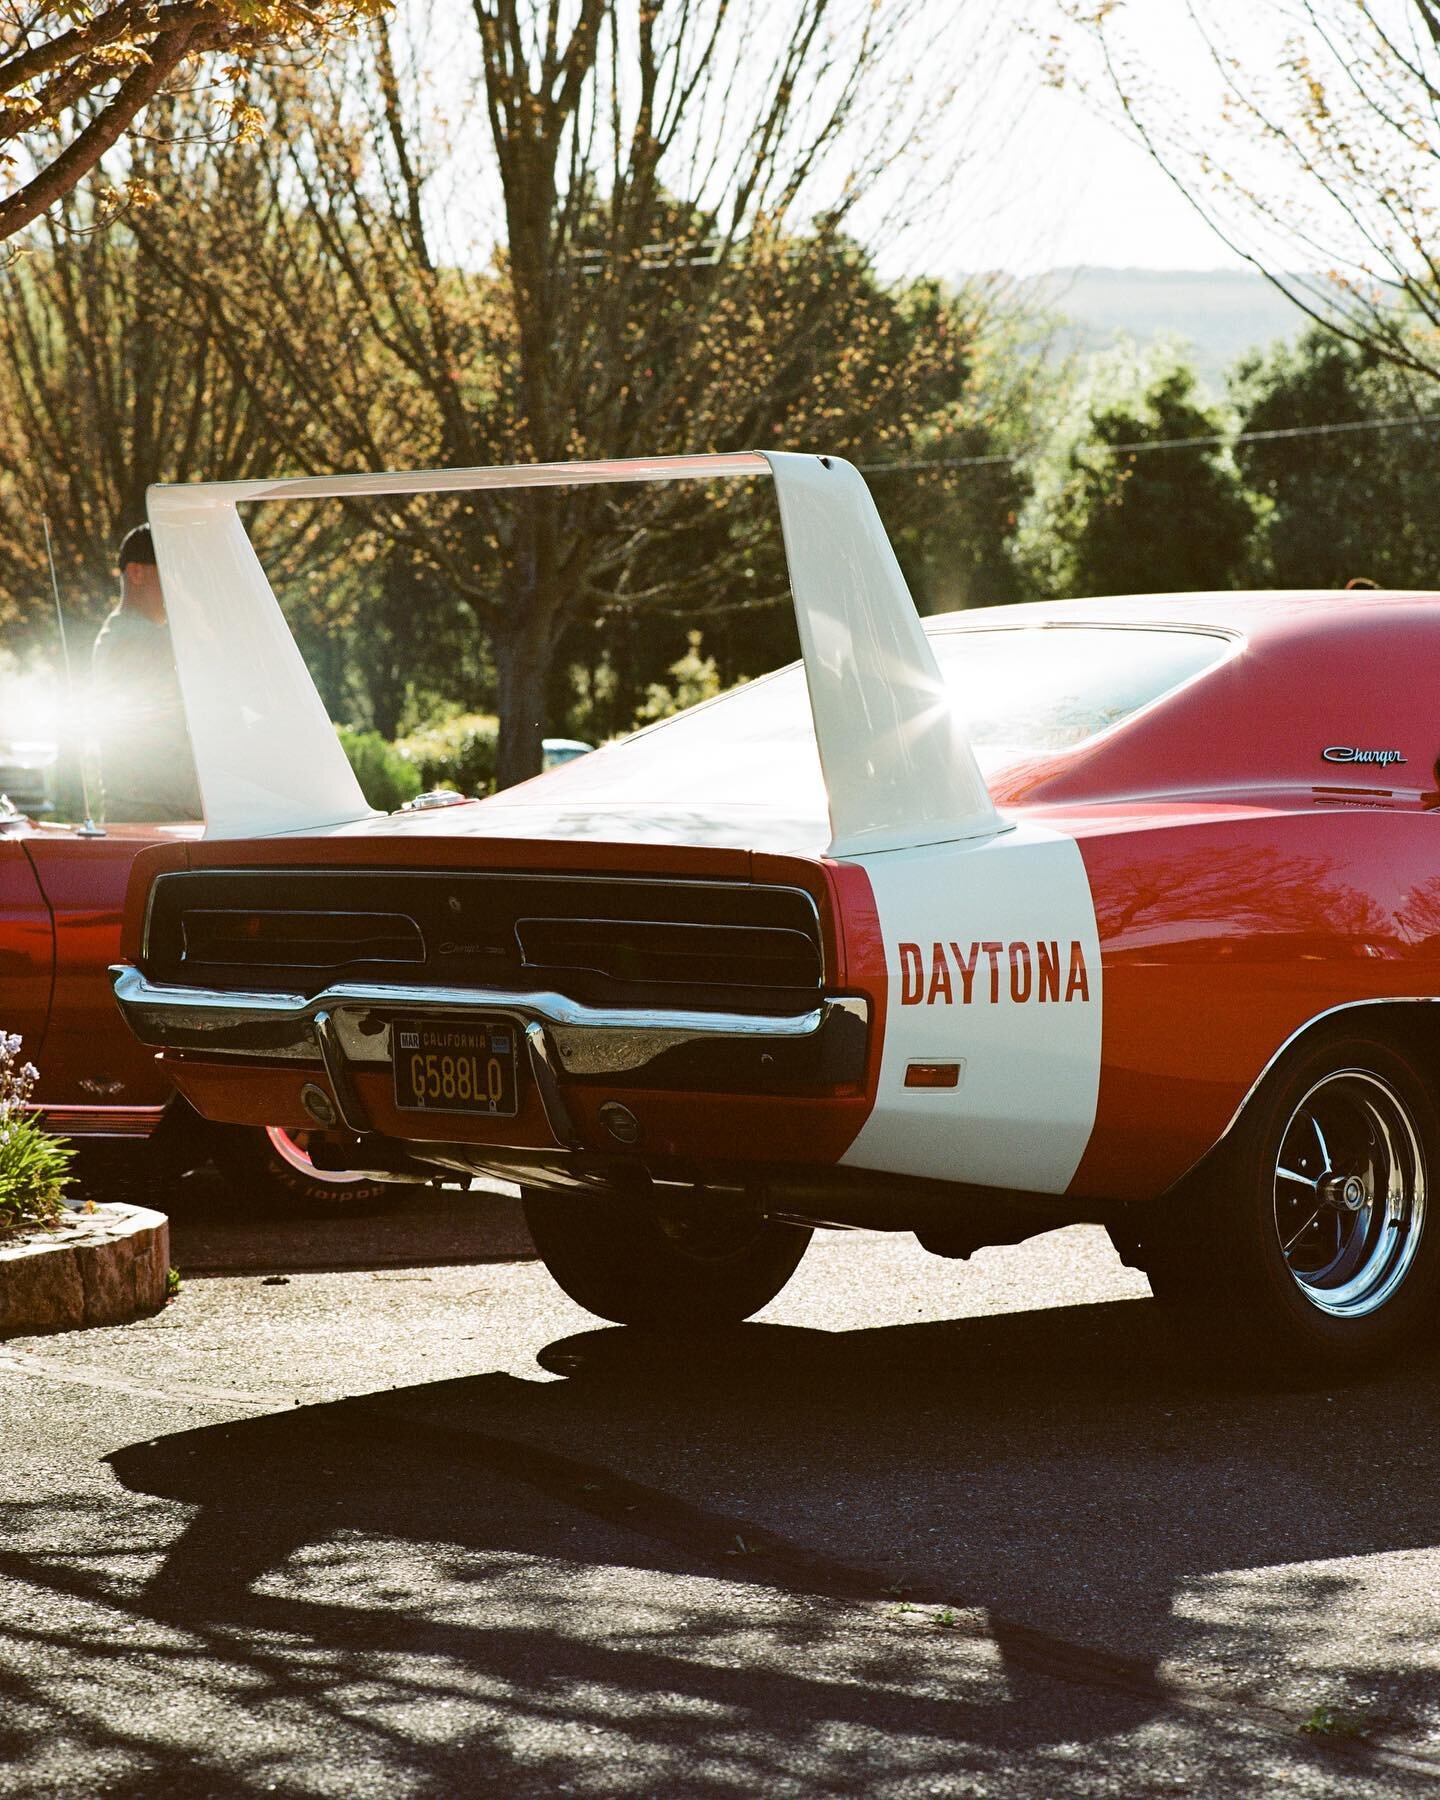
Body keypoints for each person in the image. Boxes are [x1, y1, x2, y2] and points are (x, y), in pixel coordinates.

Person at [91, 525, 202, 822]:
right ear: (136, 573)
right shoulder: (138, 638)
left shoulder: (129, 634)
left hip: (157, 810)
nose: (179, 585)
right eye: (171, 572)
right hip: (154, 816)